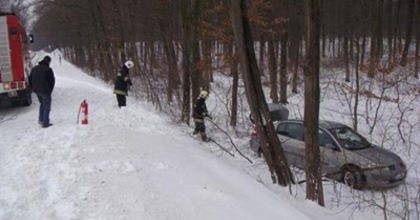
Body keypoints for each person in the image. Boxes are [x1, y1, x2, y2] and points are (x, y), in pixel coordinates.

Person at [29, 56, 55, 128]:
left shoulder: (34, 68)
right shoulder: (48, 69)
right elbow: (52, 81)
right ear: (48, 62)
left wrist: (33, 88)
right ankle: (45, 123)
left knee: (42, 104)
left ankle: (41, 119)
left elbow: (30, 78)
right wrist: (50, 91)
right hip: (45, 91)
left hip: (37, 91)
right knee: (46, 106)